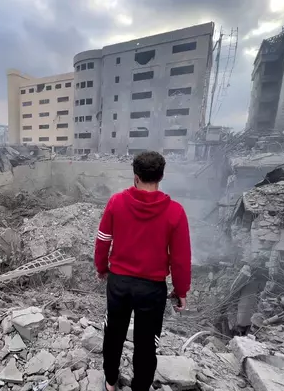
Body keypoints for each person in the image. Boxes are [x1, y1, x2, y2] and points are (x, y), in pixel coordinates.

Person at [94, 151, 191, 391]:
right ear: (161, 177)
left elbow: (103, 238)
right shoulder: (175, 212)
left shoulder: (116, 202)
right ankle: (140, 387)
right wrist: (181, 290)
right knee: (147, 343)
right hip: (152, 289)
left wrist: (102, 267)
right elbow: (181, 258)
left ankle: (110, 381)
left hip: (119, 283)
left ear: (135, 177)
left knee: (114, 333)